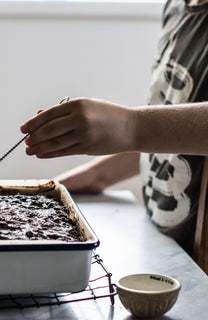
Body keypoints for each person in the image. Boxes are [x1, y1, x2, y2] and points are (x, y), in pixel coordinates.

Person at [20, 0, 208, 257]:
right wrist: (98, 176)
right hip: (166, 245)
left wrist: (129, 126)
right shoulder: (177, 7)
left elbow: (143, 130)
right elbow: (170, 131)